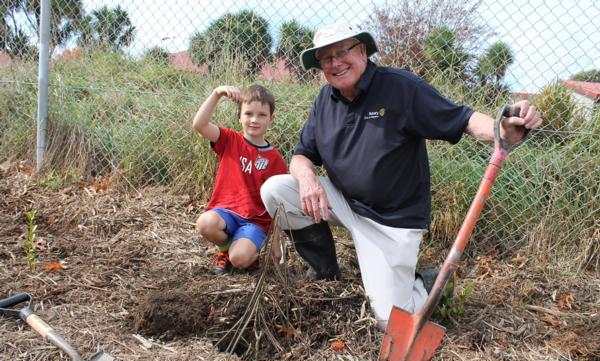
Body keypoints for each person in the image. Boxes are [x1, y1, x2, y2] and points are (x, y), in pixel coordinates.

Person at [260, 22, 542, 329]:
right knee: (276, 190)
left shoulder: (400, 88)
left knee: (389, 321)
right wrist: (307, 178)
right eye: (326, 59)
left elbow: (462, 119)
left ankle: (427, 284)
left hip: (391, 222)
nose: (335, 63)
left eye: (343, 52)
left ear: (363, 51)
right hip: (344, 202)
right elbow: (302, 155)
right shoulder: (325, 100)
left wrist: (502, 127)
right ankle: (325, 271)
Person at [193, 84, 287, 274]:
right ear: (239, 117)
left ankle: (245, 253)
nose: (254, 120)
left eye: (261, 115)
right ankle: (225, 251)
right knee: (205, 223)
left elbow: (279, 204)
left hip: (255, 221)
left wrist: (276, 243)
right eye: (248, 114)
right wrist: (216, 93)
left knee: (240, 259)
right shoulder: (229, 140)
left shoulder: (275, 159)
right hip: (227, 213)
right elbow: (199, 125)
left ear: (271, 119)